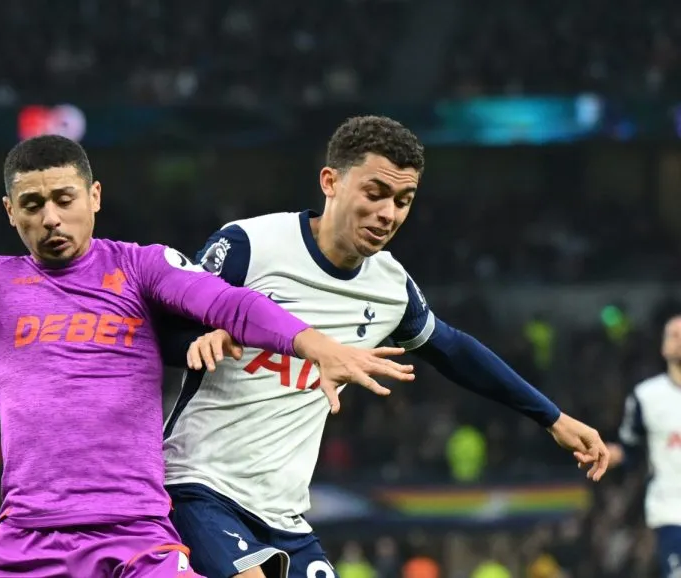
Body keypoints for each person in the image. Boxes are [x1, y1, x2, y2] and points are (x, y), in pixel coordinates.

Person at [0, 61, 415, 578]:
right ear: (11, 213)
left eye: (65, 198)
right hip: (29, 543)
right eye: (33, 206)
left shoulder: (142, 267)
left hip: (137, 537)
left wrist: (315, 345)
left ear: (95, 197)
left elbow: (229, 304)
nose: (52, 218)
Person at [159, 116, 610, 578]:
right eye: (375, 194)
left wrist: (552, 417)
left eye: (403, 201)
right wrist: (200, 339)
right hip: (197, 484)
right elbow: (162, 334)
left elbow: (455, 352)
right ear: (330, 181)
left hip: (282, 513)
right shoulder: (250, 245)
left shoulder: (390, 288)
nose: (388, 214)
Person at [608, 315, 681, 578]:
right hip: (672, 509)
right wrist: (613, 455)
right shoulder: (646, 397)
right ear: (663, 347)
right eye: (673, 334)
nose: (679, 339)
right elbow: (631, 449)